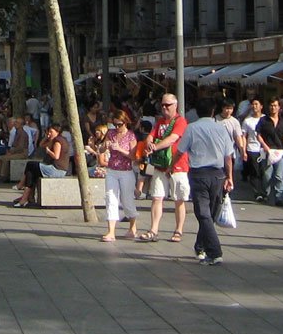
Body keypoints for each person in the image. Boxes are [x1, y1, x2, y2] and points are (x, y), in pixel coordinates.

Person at [176, 98, 238, 265]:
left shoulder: (191, 128)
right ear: (213, 111)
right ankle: (201, 245)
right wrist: (230, 176)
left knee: (204, 214)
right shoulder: (221, 128)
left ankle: (214, 252)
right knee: (208, 214)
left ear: (197, 112)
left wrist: (171, 166)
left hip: (199, 174)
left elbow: (180, 150)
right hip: (218, 175)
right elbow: (228, 157)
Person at [142, 94, 190, 244]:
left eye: (167, 105)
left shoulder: (180, 121)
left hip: (177, 165)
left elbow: (174, 138)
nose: (164, 107)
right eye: (162, 105)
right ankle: (154, 230)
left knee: (179, 199)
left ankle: (178, 230)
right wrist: (149, 143)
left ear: (175, 105)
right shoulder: (160, 122)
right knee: (156, 197)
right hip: (160, 166)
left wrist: (155, 146)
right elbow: (150, 135)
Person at [97, 112, 139, 242]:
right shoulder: (110, 133)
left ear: (125, 123)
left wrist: (120, 148)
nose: (116, 127)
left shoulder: (131, 136)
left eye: (119, 125)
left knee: (126, 200)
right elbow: (102, 150)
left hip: (126, 171)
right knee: (110, 198)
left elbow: (134, 156)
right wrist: (105, 146)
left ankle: (133, 226)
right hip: (112, 170)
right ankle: (111, 231)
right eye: (114, 124)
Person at [256, 98, 283, 207]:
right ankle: (265, 194)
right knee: (267, 175)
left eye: (275, 105)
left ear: (279, 108)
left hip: (279, 152)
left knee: (279, 176)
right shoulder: (264, 120)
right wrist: (265, 147)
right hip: (267, 152)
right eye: (271, 105)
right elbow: (258, 135)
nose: (273, 107)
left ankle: (279, 197)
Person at [240, 97, 266, 199]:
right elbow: (244, 136)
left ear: (261, 106)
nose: (254, 106)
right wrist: (244, 150)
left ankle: (264, 191)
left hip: (264, 149)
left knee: (264, 172)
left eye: (256, 104)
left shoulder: (265, 119)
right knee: (254, 171)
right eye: (253, 104)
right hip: (252, 148)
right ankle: (257, 192)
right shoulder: (247, 121)